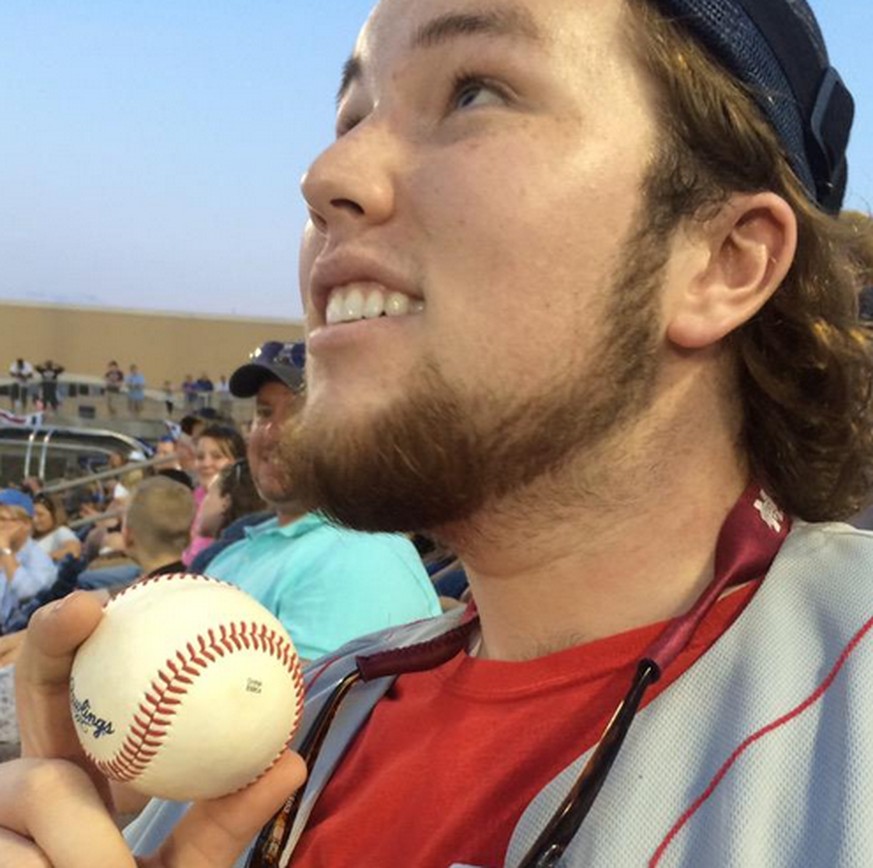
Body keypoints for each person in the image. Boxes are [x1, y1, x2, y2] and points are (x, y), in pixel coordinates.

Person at [5, 0, 873, 866]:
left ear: (725, 260)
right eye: (350, 117)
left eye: (474, 92)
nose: (326, 173)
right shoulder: (287, 729)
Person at [197, 340, 441, 661]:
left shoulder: (364, 553)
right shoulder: (241, 548)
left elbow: (311, 704)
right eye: (264, 412)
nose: (272, 433)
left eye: (301, 413)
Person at [181, 422, 246, 565]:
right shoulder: (192, 498)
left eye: (217, 457)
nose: (206, 464)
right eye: (200, 457)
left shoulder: (242, 505)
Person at [0, 489, 56, 630]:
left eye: (2, 519)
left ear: (26, 524)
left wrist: (6, 550)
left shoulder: (38, 557)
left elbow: (27, 592)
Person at [31, 494, 82, 563]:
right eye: (33, 515)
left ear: (54, 514)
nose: (35, 520)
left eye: (40, 515)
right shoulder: (30, 539)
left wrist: (41, 559)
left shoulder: (61, 532)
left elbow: (73, 551)